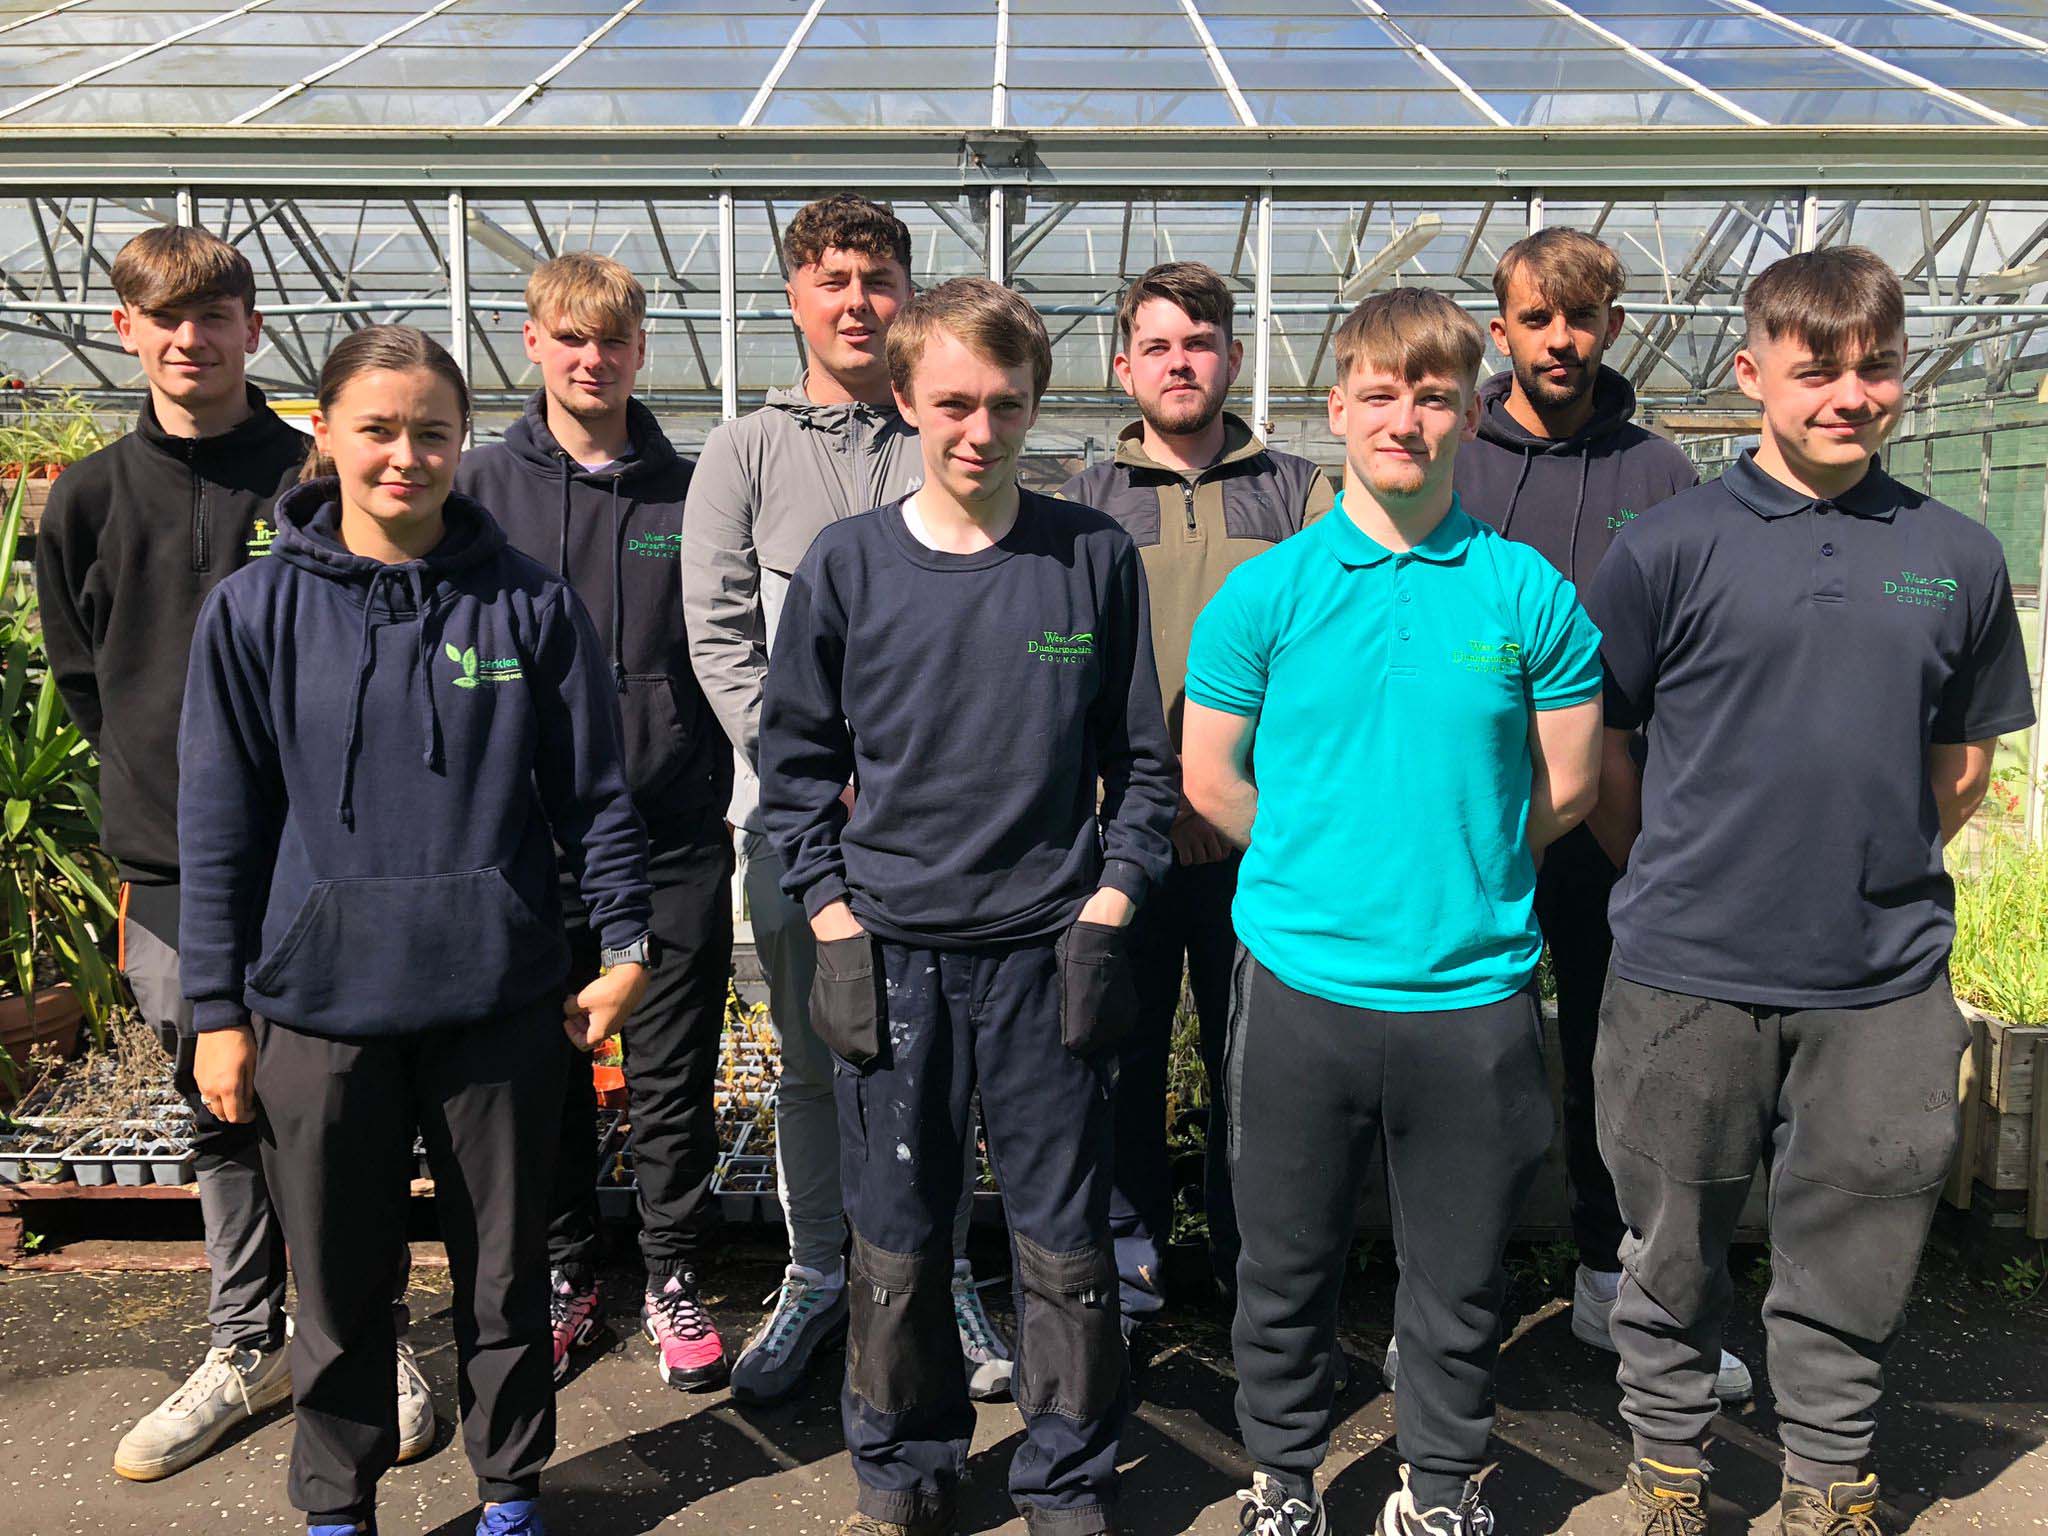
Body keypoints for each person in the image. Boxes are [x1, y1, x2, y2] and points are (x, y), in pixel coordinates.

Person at [178, 324, 655, 1536]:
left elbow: (594, 794)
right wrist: (218, 1014)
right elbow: (221, 826)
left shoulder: (528, 608)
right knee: (339, 1285)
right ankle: (336, 1504)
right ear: (326, 437)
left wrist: (623, 950)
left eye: (430, 432)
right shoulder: (253, 613)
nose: (405, 456)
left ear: (459, 444)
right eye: (377, 430)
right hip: (316, 1008)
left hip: (497, 1003)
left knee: (504, 1277)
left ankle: (507, 1492)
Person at [1587, 247, 2034, 1536]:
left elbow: (1960, 764)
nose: (1849, 392)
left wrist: (1870, 860)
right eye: (1816, 367)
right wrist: (1669, 870)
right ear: (1751, 376)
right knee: (1668, 1245)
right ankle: (1667, 1469)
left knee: (1858, 1237)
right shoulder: (1665, 549)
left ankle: (1826, 1476)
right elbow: (1603, 751)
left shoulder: (1950, 554)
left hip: (1880, 977)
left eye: (1875, 366)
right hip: (1685, 970)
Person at [758, 276, 1177, 1536]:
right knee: (896, 1237)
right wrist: (831, 919)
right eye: (951, 403)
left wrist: (1108, 906)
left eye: (1005, 405)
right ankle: (905, 1458)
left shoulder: (1088, 557)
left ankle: (1063, 1469)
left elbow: (1141, 765)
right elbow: (791, 772)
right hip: (891, 951)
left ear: (1036, 406)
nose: (978, 432)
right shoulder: (849, 565)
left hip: (1048, 951)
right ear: (904, 399)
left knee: (1062, 1242)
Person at [1181, 289, 1604, 1536]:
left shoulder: (1524, 594)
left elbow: (1569, 786)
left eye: (1429, 395)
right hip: (1299, 985)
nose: (1403, 420)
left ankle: (1437, 1484)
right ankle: (1283, 1478)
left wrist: (1455, 861)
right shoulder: (1269, 594)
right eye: (1377, 393)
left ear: (1465, 411)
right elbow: (1209, 780)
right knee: (1283, 1261)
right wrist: (1329, 859)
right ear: (1335, 408)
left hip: (1469, 996)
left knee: (1461, 1273)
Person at [34, 225, 433, 1482]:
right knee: (217, 1111)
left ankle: (363, 1337)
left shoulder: (314, 473)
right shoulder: (90, 497)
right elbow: (88, 679)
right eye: (164, 318)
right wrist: (168, 803)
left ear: (254, 331)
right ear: (126, 333)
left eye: (214, 316)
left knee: (353, 1111)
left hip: (326, 862)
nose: (189, 339)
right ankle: (239, 1342)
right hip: (173, 867)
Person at [682, 193, 1009, 1406]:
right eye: (833, 279)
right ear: (794, 296)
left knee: (950, 1063)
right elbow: (720, 637)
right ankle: (820, 1269)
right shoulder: (746, 451)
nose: (857, 301)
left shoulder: (948, 427)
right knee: (821, 1061)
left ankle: (943, 1276)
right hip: (796, 829)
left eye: (878, 278)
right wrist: (812, 775)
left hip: (945, 832)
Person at [1444, 227, 1753, 1407]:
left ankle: (1603, 1275)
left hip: (1616, 812)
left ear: (1610, 326)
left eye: (1580, 319)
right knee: (1465, 1048)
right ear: (1500, 326)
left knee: (1613, 1055)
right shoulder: (1456, 457)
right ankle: (1455, 1295)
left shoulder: (1657, 473)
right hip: (1469, 812)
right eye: (1536, 318)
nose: (1558, 340)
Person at [456, 252, 735, 1391]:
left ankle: (673, 1273)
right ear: (532, 343)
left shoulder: (691, 489)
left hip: (669, 829)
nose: (592, 359)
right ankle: (568, 1269)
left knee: (671, 1068)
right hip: (530, 841)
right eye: (570, 338)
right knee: (548, 1069)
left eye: (613, 340)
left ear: (639, 351)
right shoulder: (479, 489)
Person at [1058, 260, 1333, 1342]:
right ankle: (1126, 1253)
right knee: (1116, 1057)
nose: (1182, 363)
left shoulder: (1298, 491)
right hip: (1120, 838)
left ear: (1230, 357)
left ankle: (1244, 1260)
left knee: (1252, 1066)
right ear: (1123, 365)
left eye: (1201, 342)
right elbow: (1067, 671)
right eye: (1158, 345)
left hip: (1258, 841)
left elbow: (1327, 662)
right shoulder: (1083, 501)